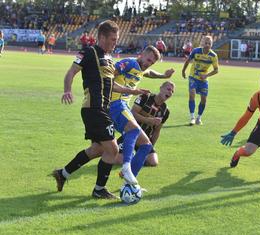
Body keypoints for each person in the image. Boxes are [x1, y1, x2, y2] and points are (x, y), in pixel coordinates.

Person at [52, 46, 174, 195]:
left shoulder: (141, 68)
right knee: (134, 130)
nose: (149, 64)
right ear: (141, 54)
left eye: (152, 63)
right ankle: (126, 168)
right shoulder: (128, 63)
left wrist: (163, 75)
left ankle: (63, 174)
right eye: (148, 60)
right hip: (115, 104)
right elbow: (108, 80)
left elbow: (148, 73)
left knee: (142, 146)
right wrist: (132, 91)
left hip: (120, 107)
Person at [52, 20, 148, 199]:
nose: (115, 43)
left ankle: (62, 174)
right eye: (112, 39)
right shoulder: (89, 52)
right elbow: (71, 72)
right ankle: (99, 190)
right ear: (102, 37)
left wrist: (133, 91)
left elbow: (112, 86)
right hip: (93, 109)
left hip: (103, 109)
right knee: (111, 150)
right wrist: (67, 90)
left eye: (116, 39)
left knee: (96, 150)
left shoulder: (110, 59)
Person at [116, 81, 175, 170]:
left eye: (172, 91)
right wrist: (148, 120)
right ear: (161, 88)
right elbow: (132, 113)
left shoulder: (165, 111)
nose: (170, 92)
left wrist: (151, 146)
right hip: (131, 135)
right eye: (168, 89)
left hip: (145, 140)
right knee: (117, 159)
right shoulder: (145, 97)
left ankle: (134, 156)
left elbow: (157, 131)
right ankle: (129, 154)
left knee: (153, 162)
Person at [182, 35, 219, 126]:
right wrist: (183, 71)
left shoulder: (213, 56)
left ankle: (199, 117)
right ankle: (192, 118)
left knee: (203, 100)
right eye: (205, 43)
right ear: (202, 43)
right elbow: (187, 61)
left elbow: (216, 70)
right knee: (192, 95)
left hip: (203, 80)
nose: (207, 45)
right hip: (193, 77)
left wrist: (206, 75)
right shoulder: (196, 51)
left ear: (211, 45)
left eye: (209, 43)